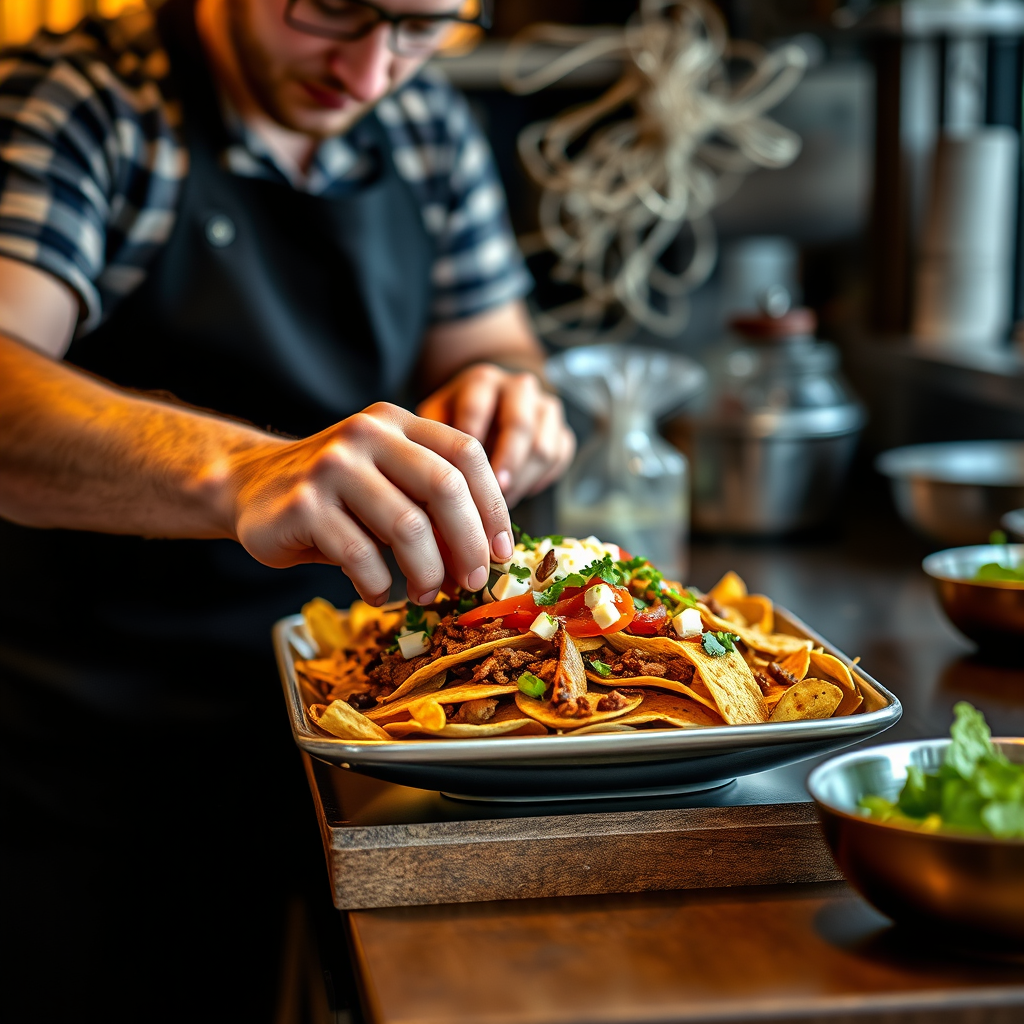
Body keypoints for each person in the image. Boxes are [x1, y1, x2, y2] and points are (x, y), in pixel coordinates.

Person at [0, 1, 574, 1019]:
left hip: (363, 718)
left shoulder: (427, 125)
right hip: (97, 740)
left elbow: (496, 341)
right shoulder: (88, 104)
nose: (368, 74)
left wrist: (508, 390)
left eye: (423, 26)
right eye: (333, 8)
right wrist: (243, 471)